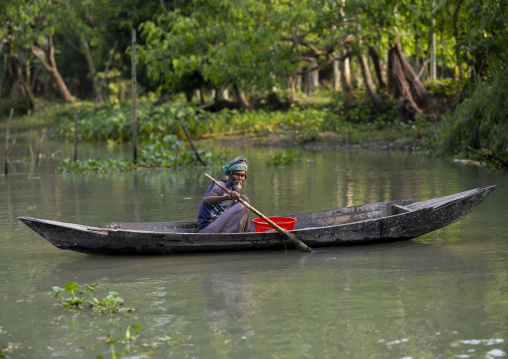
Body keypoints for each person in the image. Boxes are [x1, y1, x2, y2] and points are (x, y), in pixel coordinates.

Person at [197, 157, 251, 233]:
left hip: (219, 225)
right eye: (237, 174)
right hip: (208, 228)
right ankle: (232, 235)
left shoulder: (233, 188)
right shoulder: (220, 185)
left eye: (242, 175)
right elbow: (205, 200)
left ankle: (246, 233)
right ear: (230, 174)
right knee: (242, 206)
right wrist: (227, 197)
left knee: (245, 199)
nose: (239, 178)